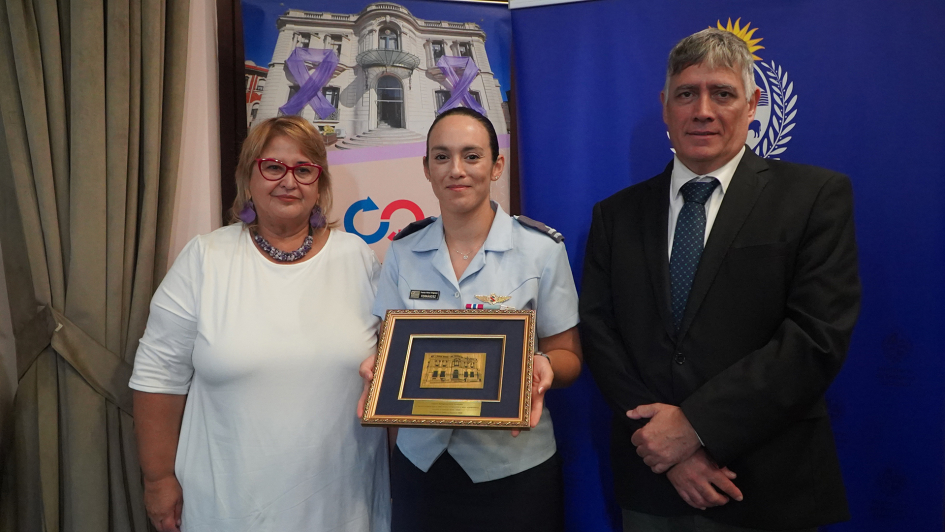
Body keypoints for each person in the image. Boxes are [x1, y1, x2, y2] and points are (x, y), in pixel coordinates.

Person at [580, 28, 860, 531]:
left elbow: (816, 338)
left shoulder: (815, 197)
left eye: (722, 94)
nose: (702, 110)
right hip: (653, 480)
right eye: (687, 94)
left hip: (769, 479)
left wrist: (694, 428)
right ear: (665, 106)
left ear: (752, 104)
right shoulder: (615, 215)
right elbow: (601, 333)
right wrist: (669, 450)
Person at [130, 116, 390, 532]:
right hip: (228, 505)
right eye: (273, 167)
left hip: (343, 503)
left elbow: (392, 368)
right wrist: (157, 479)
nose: (289, 181)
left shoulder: (357, 258)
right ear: (248, 178)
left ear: (319, 185)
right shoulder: (205, 258)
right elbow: (158, 377)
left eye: (304, 170)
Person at [359, 107, 582, 532]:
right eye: (441, 157)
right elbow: (389, 351)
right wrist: (381, 370)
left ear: (497, 165)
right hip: (421, 467)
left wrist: (546, 366)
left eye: (472, 156)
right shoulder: (404, 251)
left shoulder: (540, 250)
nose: (456, 170)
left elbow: (569, 354)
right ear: (426, 169)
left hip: (514, 470)